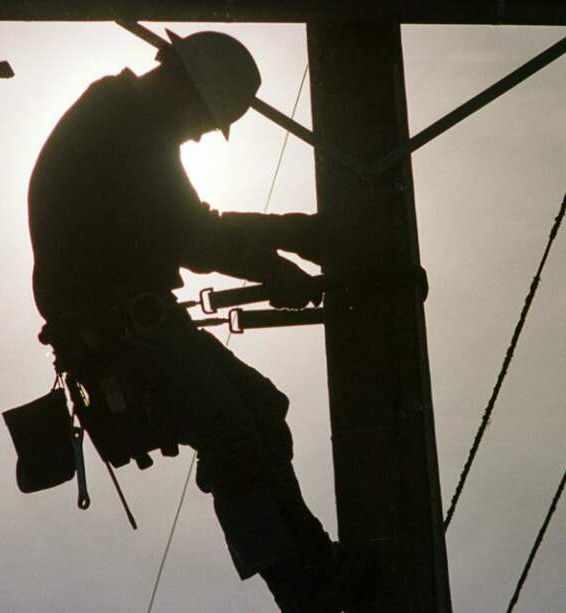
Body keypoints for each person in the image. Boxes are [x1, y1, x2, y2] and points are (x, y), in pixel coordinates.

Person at [28, 30, 363, 612]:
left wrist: (287, 247)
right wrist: (291, 243)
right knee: (233, 435)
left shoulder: (128, 120)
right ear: (185, 84)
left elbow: (184, 225)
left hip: (133, 326)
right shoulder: (120, 123)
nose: (204, 133)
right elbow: (190, 233)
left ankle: (315, 560)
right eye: (208, 118)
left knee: (260, 408)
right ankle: (302, 589)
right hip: (120, 334)